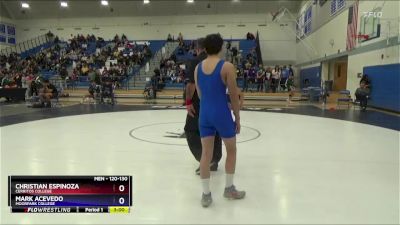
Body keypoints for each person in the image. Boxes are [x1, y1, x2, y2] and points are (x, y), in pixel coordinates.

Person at [194, 33, 245, 208]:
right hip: (221, 114)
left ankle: (206, 194)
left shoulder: (198, 67)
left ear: (205, 48)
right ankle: (229, 189)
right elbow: (233, 95)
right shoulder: (227, 67)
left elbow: (200, 95)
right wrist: (237, 117)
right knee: (232, 150)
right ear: (222, 47)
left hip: (205, 114)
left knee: (206, 154)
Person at [184, 38, 222, 175]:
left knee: (191, 130)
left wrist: (188, 103)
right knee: (215, 131)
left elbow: (191, 85)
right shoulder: (219, 62)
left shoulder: (196, 62)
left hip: (199, 103)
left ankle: (205, 160)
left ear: (198, 49)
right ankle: (215, 159)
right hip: (217, 103)